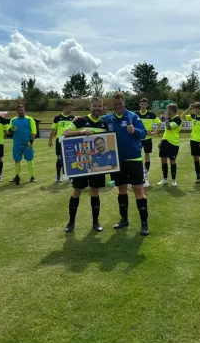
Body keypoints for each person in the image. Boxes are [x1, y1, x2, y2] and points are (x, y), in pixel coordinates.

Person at [103, 92, 149, 236]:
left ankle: (144, 223)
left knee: (138, 190)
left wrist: (135, 130)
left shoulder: (133, 117)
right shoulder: (108, 118)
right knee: (121, 190)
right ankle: (124, 219)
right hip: (117, 161)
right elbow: (93, 121)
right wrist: (79, 119)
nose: (117, 106)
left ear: (124, 102)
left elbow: (144, 133)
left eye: (120, 104)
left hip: (134, 159)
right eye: (115, 104)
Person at [62, 97, 109, 233]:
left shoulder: (104, 123)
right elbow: (65, 133)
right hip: (81, 164)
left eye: (99, 106)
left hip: (97, 164)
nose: (97, 109)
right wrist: (82, 132)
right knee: (77, 191)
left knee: (95, 191)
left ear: (102, 107)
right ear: (90, 106)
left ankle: (95, 222)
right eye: (95, 106)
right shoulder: (80, 120)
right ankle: (71, 222)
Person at [180, 102, 200, 186]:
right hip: (193, 141)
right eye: (196, 109)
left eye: (199, 108)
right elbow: (181, 117)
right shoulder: (193, 116)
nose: (197, 110)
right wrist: (189, 108)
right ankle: (198, 178)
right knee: (196, 160)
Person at [8, 104, 37, 185]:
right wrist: (11, 129)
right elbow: (8, 131)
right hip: (17, 144)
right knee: (17, 160)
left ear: (24, 110)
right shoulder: (13, 120)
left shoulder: (30, 119)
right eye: (19, 110)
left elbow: (34, 132)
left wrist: (31, 143)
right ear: (17, 111)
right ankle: (17, 176)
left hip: (27, 144)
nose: (21, 111)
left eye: (22, 110)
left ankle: (32, 177)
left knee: (29, 160)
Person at [137, 98, 162, 187]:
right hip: (137, 139)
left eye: (145, 104)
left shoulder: (151, 115)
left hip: (147, 139)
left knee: (147, 158)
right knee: (137, 158)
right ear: (139, 105)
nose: (143, 106)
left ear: (147, 105)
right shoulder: (136, 115)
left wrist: (154, 132)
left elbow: (160, 123)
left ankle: (146, 177)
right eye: (142, 104)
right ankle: (137, 177)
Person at [49, 102, 75, 183]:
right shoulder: (57, 118)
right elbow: (53, 130)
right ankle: (58, 176)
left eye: (72, 108)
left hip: (69, 141)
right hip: (60, 141)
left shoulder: (73, 118)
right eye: (70, 108)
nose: (71, 110)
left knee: (70, 159)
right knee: (59, 159)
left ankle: (69, 176)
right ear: (65, 107)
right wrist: (50, 140)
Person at [157, 103, 182, 187]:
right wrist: (161, 141)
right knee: (163, 160)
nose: (166, 112)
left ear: (171, 111)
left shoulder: (177, 119)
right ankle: (165, 179)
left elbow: (168, 127)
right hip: (165, 142)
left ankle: (173, 180)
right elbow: (166, 131)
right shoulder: (170, 118)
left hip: (173, 143)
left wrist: (167, 119)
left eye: (167, 110)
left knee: (172, 161)